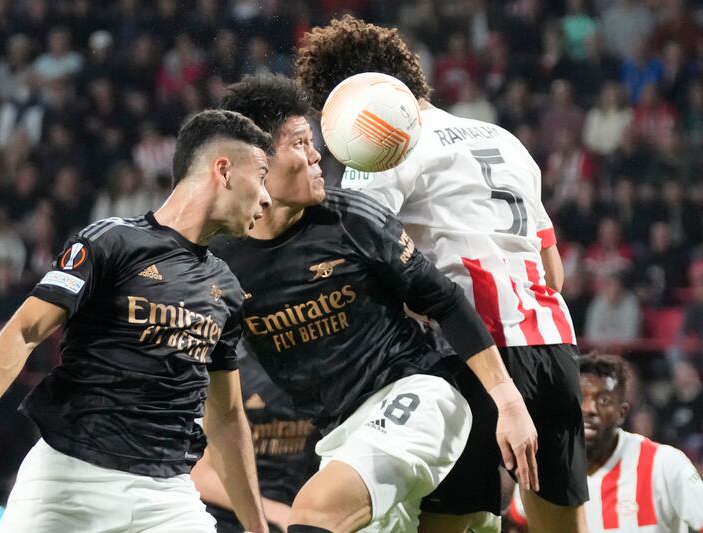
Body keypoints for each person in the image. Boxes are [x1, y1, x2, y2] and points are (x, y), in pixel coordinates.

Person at [0, 109, 275, 533]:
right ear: (224, 170)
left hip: (166, 497)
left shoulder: (226, 287)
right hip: (66, 479)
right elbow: (27, 330)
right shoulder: (111, 241)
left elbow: (227, 416)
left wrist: (256, 526)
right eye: (262, 175)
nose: (266, 197)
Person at [295, 16, 588, 533]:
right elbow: (554, 270)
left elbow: (364, 261)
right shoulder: (505, 138)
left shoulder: (382, 141)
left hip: (472, 355)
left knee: (452, 523)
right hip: (553, 347)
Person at [213, 74, 537, 533]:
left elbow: (444, 302)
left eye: (313, 141)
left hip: (420, 391)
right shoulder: (219, 261)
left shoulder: (352, 220)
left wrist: (508, 403)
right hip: (341, 431)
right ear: (257, 164)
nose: (316, 155)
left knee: (314, 512)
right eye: (301, 143)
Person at [508, 353, 703, 532]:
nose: (589, 409)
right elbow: (518, 526)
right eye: (580, 398)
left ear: (622, 413)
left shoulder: (664, 464)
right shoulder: (544, 468)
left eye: (603, 401)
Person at [191, 345, 319, 533]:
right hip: (229, 517)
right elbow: (200, 476)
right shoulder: (225, 369)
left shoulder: (320, 371)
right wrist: (271, 513)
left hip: (298, 514)